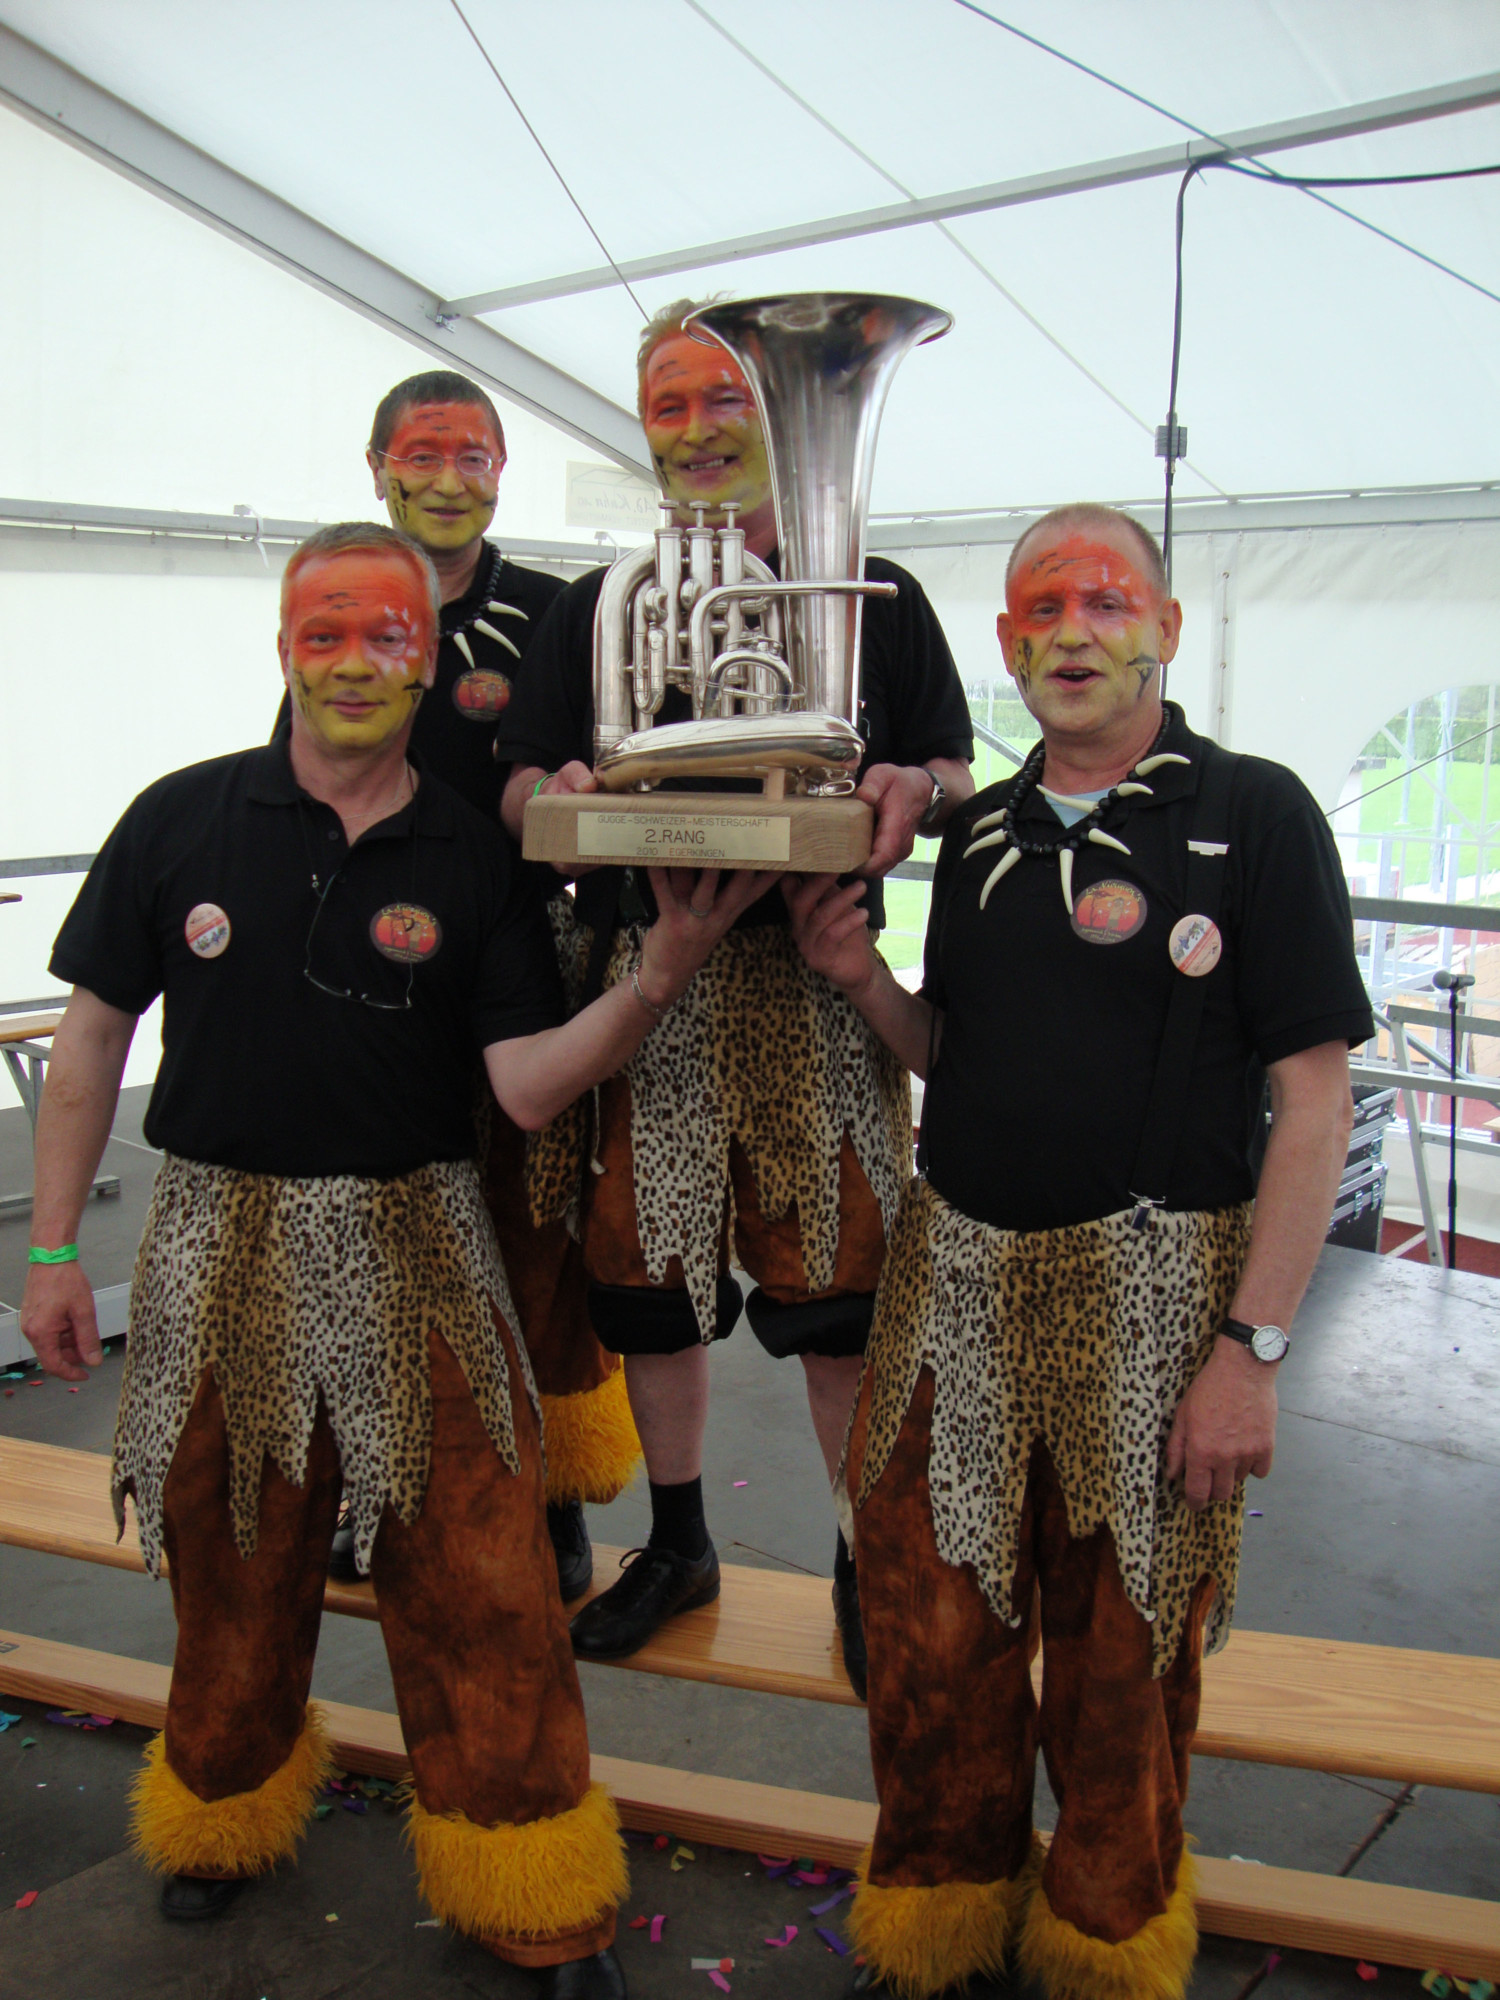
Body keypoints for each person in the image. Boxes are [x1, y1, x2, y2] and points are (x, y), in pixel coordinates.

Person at [21, 522, 771, 2000]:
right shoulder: (178, 818)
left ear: (429, 660)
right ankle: (224, 1809)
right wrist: (52, 1250)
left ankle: (533, 1887)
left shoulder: (475, 853)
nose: (355, 660)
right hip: (217, 1248)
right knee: (230, 1560)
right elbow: (94, 1037)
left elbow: (525, 1089)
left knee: (487, 1578)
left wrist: (656, 980)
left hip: (419, 1250)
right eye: (326, 631)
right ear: (284, 646)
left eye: (386, 635)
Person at [785, 504, 1372, 2000]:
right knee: (929, 1637)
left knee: (1123, 1665)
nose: (1072, 631)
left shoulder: (1256, 812)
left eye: (1106, 602)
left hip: (1157, 1308)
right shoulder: (978, 830)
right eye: (1041, 609)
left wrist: (1251, 1351)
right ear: (1005, 644)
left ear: (1164, 626)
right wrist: (861, 981)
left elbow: (1314, 1101)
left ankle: (1109, 1942)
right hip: (953, 1292)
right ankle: (941, 1924)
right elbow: (956, 1056)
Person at [492, 300, 974, 1690]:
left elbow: (953, 769)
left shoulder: (878, 592)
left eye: (727, 400)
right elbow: (522, 787)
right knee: (645, 1286)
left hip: (819, 986)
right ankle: (681, 1539)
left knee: (840, 1299)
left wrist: (914, 784)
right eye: (672, 405)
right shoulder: (594, 605)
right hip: (652, 990)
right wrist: (557, 792)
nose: (699, 429)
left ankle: (863, 1557)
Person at [273, 370, 638, 1600]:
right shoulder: (343, 603)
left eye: (470, 455)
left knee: (538, 1234)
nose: (445, 478)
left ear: (500, 472)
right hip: (377, 972)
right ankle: (382, 1483)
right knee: (388, 1234)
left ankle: (556, 1495)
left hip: (528, 957)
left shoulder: (557, 609)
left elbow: (611, 765)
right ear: (377, 466)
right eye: (421, 455)